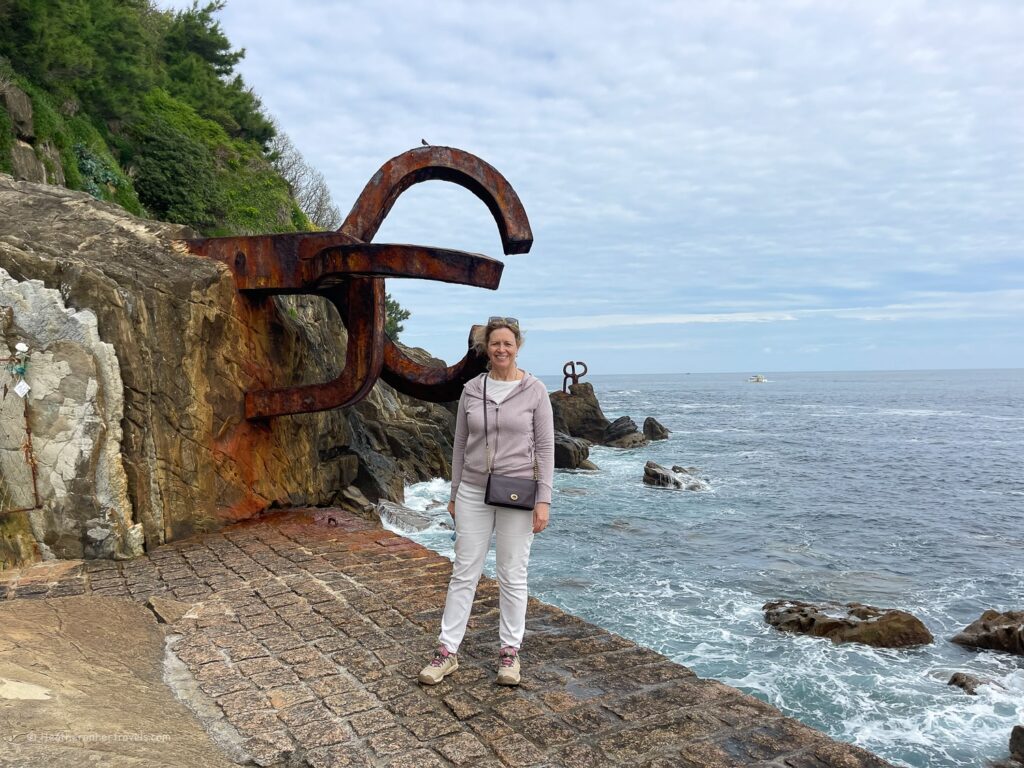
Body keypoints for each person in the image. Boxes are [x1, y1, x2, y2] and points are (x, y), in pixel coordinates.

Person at [418, 316, 554, 687]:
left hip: (517, 492)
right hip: (473, 493)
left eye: (508, 344)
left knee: (513, 574)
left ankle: (510, 653)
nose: (501, 350)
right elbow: (460, 445)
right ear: (486, 349)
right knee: (465, 571)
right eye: (495, 344)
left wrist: (544, 500)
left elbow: (544, 448)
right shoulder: (471, 390)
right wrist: (453, 494)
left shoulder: (535, 391)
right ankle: (447, 652)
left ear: (517, 346)